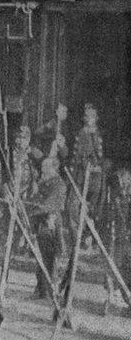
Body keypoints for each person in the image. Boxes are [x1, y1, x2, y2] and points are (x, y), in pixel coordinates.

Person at [29, 156, 67, 300]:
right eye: (42, 166)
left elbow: (47, 204)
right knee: (41, 257)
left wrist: (32, 208)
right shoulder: (44, 182)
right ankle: (41, 289)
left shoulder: (58, 184)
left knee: (48, 258)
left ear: (54, 168)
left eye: (46, 167)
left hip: (50, 223)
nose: (42, 169)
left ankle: (47, 290)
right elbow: (35, 199)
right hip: (41, 223)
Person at [71, 103, 106, 243]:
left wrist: (99, 166)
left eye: (92, 116)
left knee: (94, 204)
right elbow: (78, 155)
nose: (89, 119)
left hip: (96, 176)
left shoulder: (98, 134)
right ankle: (79, 237)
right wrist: (86, 166)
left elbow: (101, 155)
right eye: (87, 116)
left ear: (96, 118)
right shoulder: (81, 133)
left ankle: (90, 237)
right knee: (79, 204)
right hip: (82, 175)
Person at [11, 126, 44, 199]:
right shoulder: (10, 154)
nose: (20, 141)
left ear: (28, 139)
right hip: (12, 190)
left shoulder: (34, 154)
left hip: (28, 191)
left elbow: (42, 169)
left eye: (24, 138)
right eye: (18, 137)